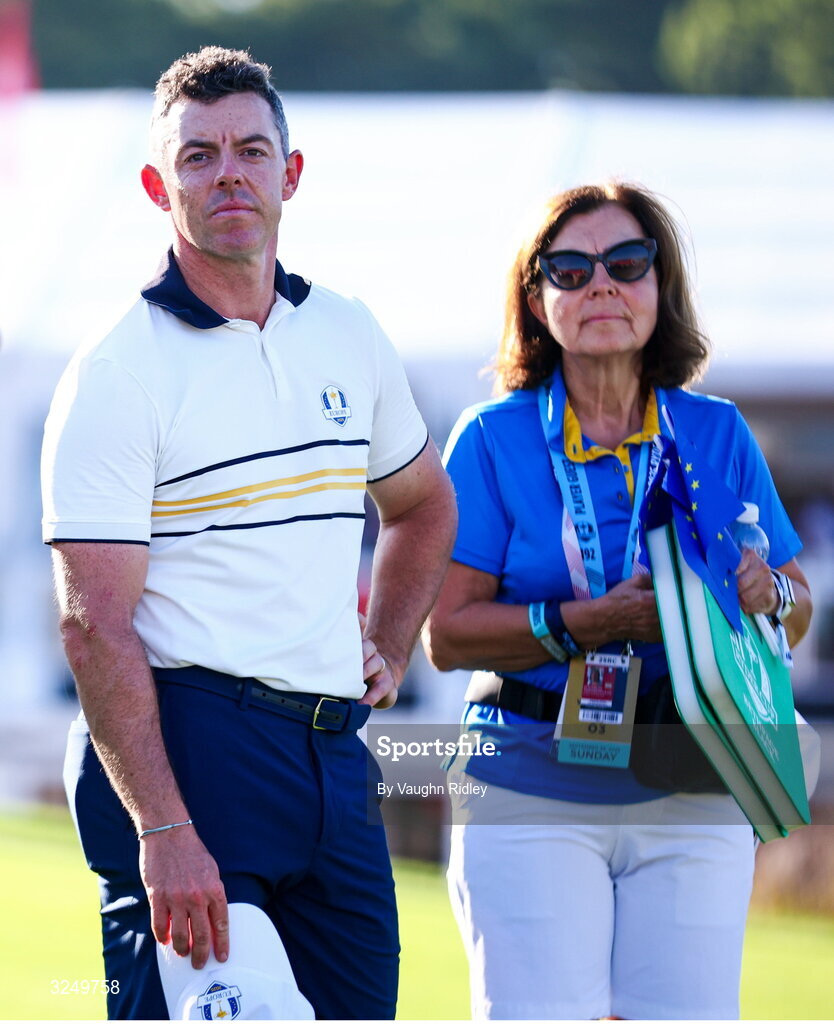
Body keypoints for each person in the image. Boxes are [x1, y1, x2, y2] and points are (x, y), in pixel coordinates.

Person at [42, 46, 456, 1021]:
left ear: (291, 173)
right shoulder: (117, 371)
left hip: (333, 758)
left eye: (251, 149)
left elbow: (424, 504)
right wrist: (165, 826)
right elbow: (93, 624)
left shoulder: (347, 331)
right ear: (158, 184)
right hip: (191, 747)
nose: (228, 172)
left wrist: (391, 643)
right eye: (198, 156)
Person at [424, 182, 812, 1020]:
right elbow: (446, 637)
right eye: (570, 268)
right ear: (536, 299)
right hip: (525, 783)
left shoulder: (717, 431)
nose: (602, 285)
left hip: (697, 781)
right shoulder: (490, 437)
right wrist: (581, 626)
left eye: (627, 264)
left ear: (659, 287)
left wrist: (768, 589)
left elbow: (799, 603)